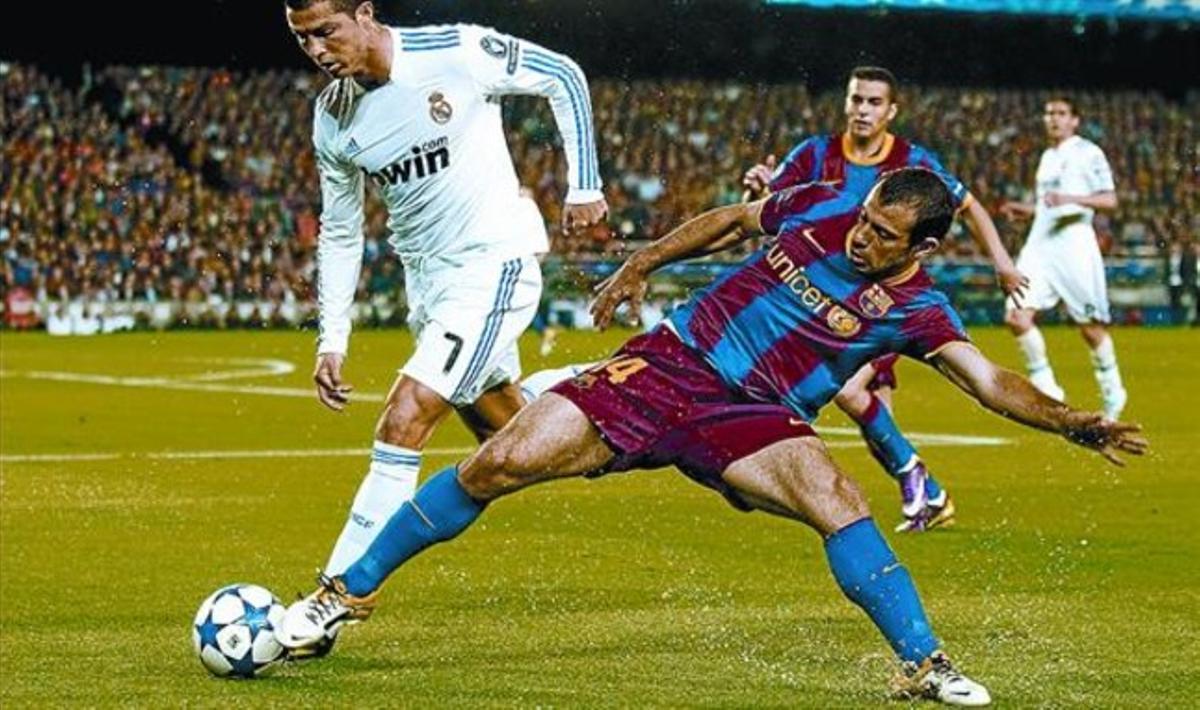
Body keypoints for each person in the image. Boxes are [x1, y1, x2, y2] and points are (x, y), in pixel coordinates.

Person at [277, 169, 1146, 705]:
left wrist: (1074, 423)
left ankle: (924, 664)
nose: (861, 233)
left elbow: (989, 380)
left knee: (838, 498)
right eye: (867, 217)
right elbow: (734, 222)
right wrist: (641, 263)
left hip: (755, 416)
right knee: (495, 461)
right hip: (668, 363)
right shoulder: (817, 208)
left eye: (883, 234)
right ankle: (338, 595)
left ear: (922, 245)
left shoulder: (918, 308)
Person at [283, 0, 607, 601]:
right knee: (511, 437)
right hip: (429, 286)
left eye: (326, 32)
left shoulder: (454, 53)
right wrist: (332, 338)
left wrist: (584, 184)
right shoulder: (332, 116)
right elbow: (343, 229)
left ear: (365, 13)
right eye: (302, 40)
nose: (318, 51)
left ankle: (340, 590)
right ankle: (605, 386)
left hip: (494, 262)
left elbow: (562, 73)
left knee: (405, 415)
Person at [742, 66, 1028, 531]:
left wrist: (1002, 261)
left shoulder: (911, 163)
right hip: (817, 306)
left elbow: (967, 203)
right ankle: (925, 490)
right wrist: (756, 188)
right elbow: (763, 214)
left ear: (891, 111)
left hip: (883, 307)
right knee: (870, 412)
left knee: (853, 393)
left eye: (874, 102)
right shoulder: (814, 154)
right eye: (857, 99)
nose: (862, 110)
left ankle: (916, 479)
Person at [999, 97, 1126, 420]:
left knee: (1090, 328)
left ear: (1075, 121)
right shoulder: (1047, 157)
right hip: (1040, 246)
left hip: (1074, 247)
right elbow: (1049, 206)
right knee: (1016, 316)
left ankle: (1112, 390)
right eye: (1049, 113)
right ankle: (1046, 388)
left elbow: (1110, 199)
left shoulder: (1088, 152)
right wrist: (1025, 209)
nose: (1053, 119)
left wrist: (1071, 198)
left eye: (1061, 114)